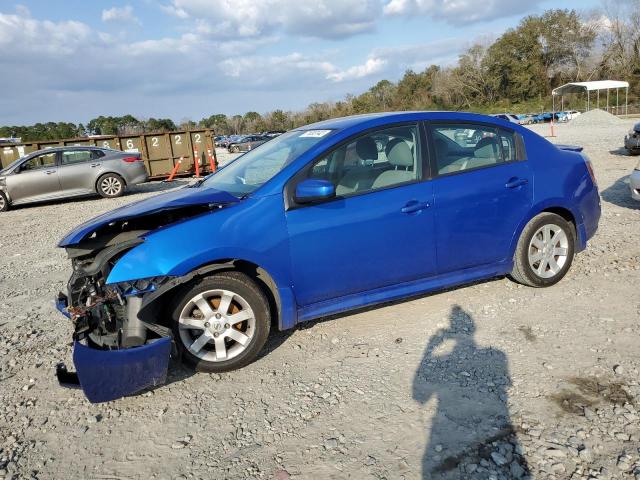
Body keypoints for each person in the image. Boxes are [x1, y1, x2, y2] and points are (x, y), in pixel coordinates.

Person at [412, 305, 529, 478]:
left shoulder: (495, 355)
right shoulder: (498, 355)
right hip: (500, 424)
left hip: (444, 431)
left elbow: (418, 397)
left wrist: (429, 348)